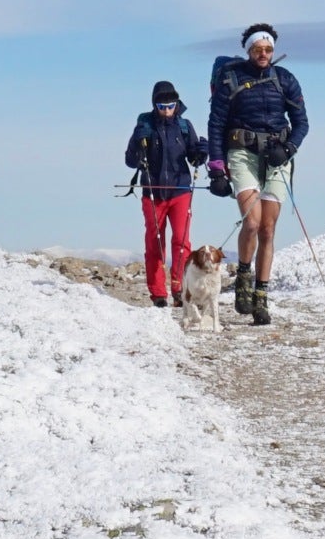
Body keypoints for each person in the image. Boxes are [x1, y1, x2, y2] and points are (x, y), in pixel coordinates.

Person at [205, 23, 307, 326]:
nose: (263, 54)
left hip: (277, 157)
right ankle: (243, 277)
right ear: (248, 50)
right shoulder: (231, 80)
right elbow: (215, 125)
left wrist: (288, 148)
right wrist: (216, 170)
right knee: (251, 221)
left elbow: (302, 122)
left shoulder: (285, 79)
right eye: (258, 49)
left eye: (268, 49)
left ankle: (261, 297)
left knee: (268, 229)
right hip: (242, 154)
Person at [124, 80, 208, 308]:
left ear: (176, 104)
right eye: (162, 106)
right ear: (155, 105)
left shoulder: (184, 126)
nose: (167, 110)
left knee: (181, 240)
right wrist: (136, 143)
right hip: (153, 192)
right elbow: (130, 161)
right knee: (155, 242)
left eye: (171, 106)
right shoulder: (145, 126)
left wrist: (202, 153)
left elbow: (194, 157)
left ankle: (180, 288)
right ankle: (158, 293)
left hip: (180, 190)